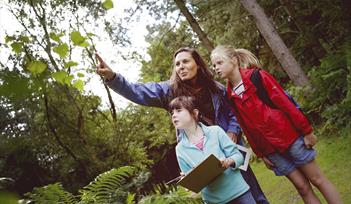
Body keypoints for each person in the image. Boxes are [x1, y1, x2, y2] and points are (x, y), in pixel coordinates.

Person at [96, 47, 269, 203]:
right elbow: (138, 91)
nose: (181, 66)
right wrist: (112, 77)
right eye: (177, 64)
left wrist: (232, 132)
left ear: (198, 65)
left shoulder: (216, 88)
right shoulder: (169, 91)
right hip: (202, 159)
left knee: (254, 195)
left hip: (230, 149)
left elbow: (235, 112)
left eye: (186, 61)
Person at [211, 44, 342, 204]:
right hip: (270, 150)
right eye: (213, 65)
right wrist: (261, 154)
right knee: (302, 188)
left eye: (219, 63)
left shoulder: (258, 77)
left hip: (290, 138)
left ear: (233, 60)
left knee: (317, 179)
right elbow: (246, 128)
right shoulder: (230, 94)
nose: (216, 68)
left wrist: (307, 131)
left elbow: (286, 104)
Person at [170, 96, 255, 204]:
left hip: (240, 193)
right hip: (214, 201)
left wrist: (228, 161)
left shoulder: (216, 131)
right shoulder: (179, 149)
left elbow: (239, 157)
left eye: (178, 110)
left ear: (194, 113)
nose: (174, 115)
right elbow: (193, 183)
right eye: (172, 113)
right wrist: (189, 180)